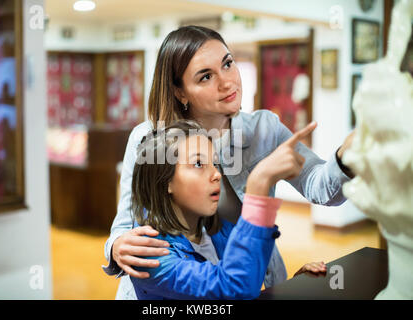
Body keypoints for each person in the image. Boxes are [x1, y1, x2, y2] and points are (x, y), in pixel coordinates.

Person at [103, 25, 353, 299]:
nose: (227, 82)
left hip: (243, 281)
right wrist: (116, 247)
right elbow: (125, 226)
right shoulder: (148, 138)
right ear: (180, 92)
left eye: (228, 64)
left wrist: (346, 157)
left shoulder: (265, 129)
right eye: (206, 76)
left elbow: (322, 189)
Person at [129, 120, 325, 299]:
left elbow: (250, 288)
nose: (216, 174)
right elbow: (232, 289)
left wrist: (294, 286)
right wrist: (258, 184)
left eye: (215, 163)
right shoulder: (149, 255)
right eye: (198, 163)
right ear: (165, 181)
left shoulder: (224, 231)